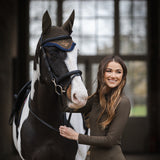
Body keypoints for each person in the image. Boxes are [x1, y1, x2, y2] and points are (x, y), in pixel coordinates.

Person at [59, 55, 131, 160]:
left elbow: (110, 141)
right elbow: (68, 108)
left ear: (123, 76)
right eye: (109, 71)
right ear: (102, 73)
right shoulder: (97, 99)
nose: (113, 75)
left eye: (118, 72)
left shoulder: (123, 102)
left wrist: (76, 136)